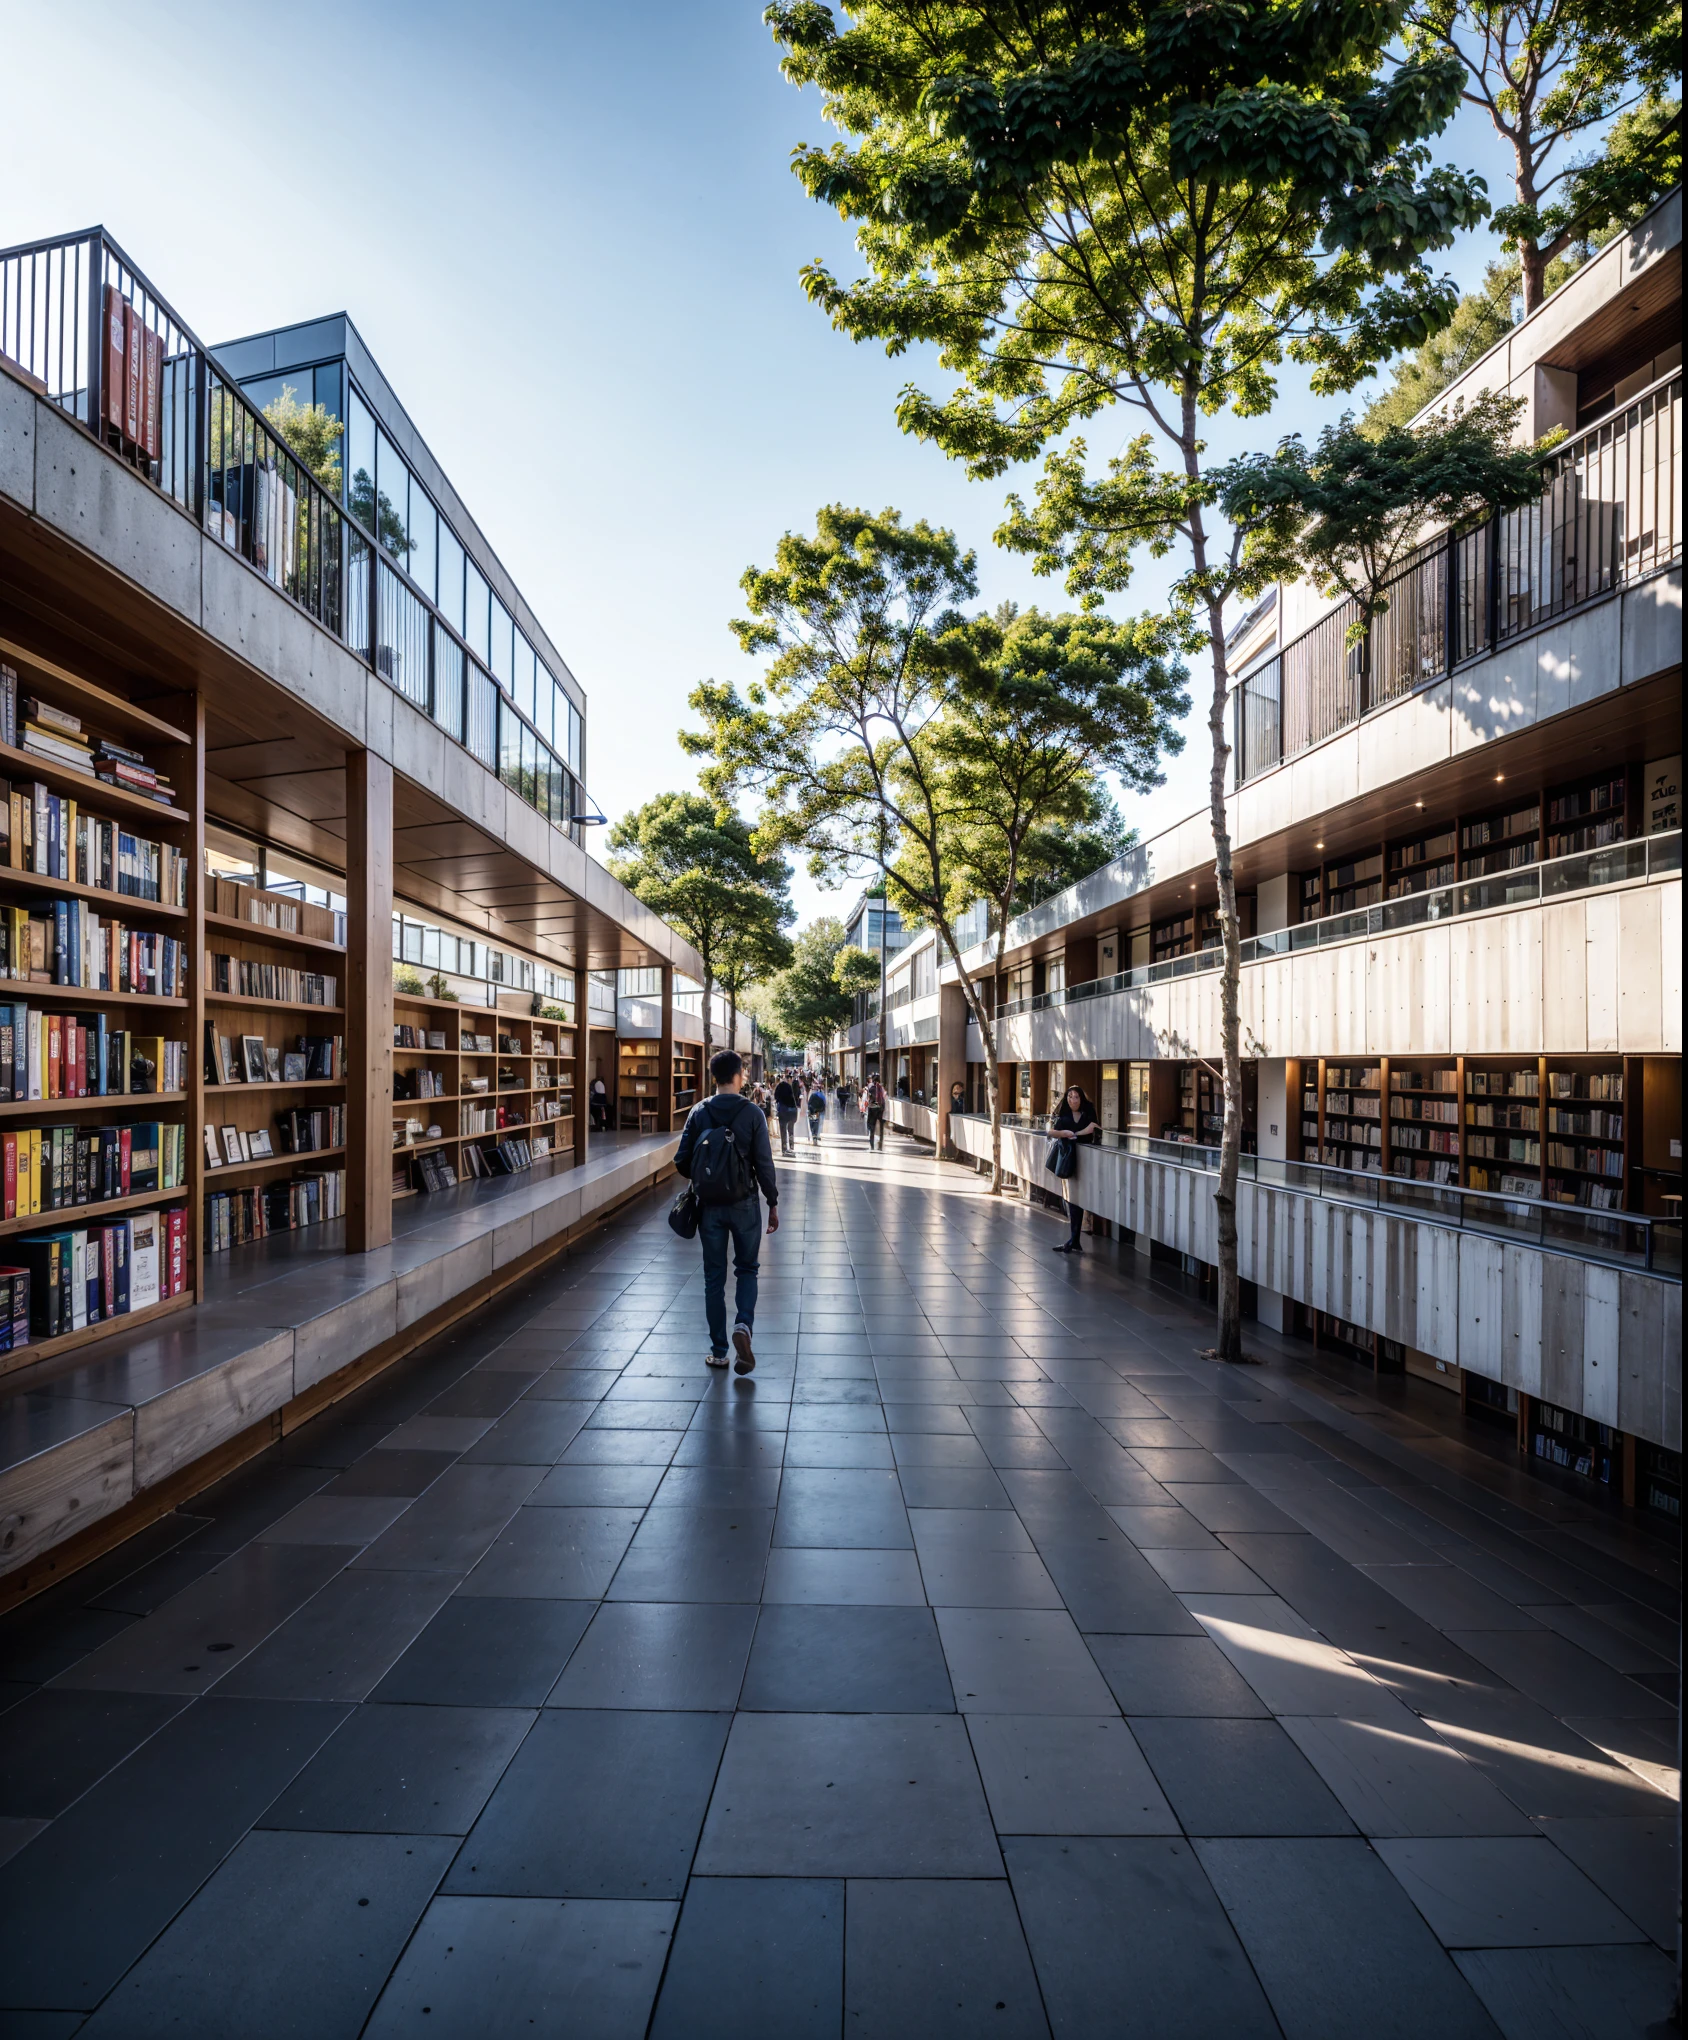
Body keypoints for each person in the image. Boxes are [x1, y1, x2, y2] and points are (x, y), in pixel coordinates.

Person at [675, 1048, 779, 1372]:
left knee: (713, 1278)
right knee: (747, 1269)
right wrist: (772, 1202)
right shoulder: (753, 1114)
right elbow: (764, 1164)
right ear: (739, 1076)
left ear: (713, 1077)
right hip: (745, 1203)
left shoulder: (698, 1112)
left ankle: (719, 1351)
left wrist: (707, 1174)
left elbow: (681, 1161)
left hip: (709, 1208)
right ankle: (743, 1326)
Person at [1049, 1083, 1100, 1252]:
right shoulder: (1064, 1114)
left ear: (1081, 1098)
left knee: (1083, 1197)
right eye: (1070, 1097)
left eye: (1076, 1097)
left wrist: (1076, 1134)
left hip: (1087, 1159)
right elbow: (1051, 1131)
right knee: (1072, 1198)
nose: (1073, 1100)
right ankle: (1074, 1238)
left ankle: (1077, 1236)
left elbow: (1094, 1128)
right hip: (1069, 1159)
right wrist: (1064, 1133)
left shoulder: (1088, 1112)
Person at [772, 1072, 799, 1155]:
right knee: (791, 1129)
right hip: (791, 1110)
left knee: (783, 1130)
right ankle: (791, 1146)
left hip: (783, 1111)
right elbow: (793, 1099)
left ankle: (784, 1148)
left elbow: (776, 1097)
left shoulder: (779, 1087)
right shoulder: (789, 1087)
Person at [861, 1072, 887, 1151]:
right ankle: (880, 1145)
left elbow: (866, 1099)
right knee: (881, 1128)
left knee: (872, 1128)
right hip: (880, 1109)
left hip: (872, 1109)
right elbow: (885, 1098)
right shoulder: (881, 1088)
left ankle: (872, 1146)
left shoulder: (869, 1087)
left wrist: (863, 1109)